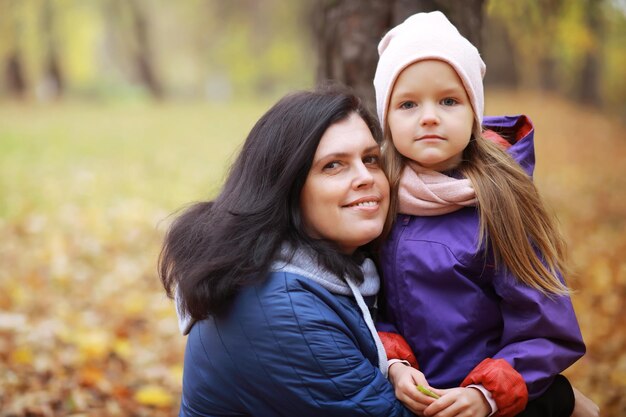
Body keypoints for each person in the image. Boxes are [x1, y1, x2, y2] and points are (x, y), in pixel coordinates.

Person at [371, 11, 594, 417]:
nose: (429, 116)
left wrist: (486, 394)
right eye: (407, 103)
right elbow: (370, 304)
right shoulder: (378, 196)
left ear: (473, 111)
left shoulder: (499, 201)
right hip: (411, 400)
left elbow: (546, 329)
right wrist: (395, 363)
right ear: (386, 118)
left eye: (449, 100)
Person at [159, 87, 417, 416]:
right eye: (334, 165)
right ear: (287, 188)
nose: (366, 177)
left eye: (370, 159)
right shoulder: (282, 308)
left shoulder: (339, 267)